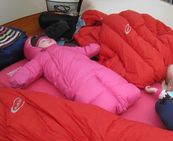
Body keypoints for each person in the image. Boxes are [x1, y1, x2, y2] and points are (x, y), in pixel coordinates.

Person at [10, 35, 141, 114]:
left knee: (110, 78)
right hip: (76, 79)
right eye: (43, 41)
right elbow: (29, 70)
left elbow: (83, 51)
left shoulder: (65, 47)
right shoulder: (40, 59)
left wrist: (95, 47)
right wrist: (17, 80)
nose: (48, 40)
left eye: (48, 39)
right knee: (94, 93)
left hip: (92, 67)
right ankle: (108, 107)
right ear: (36, 49)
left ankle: (127, 93)